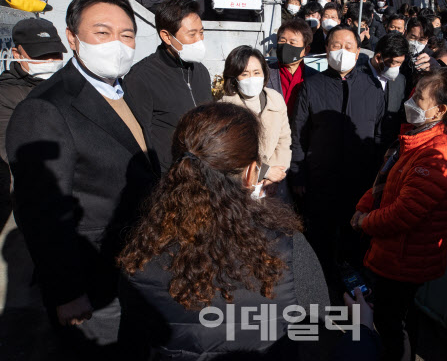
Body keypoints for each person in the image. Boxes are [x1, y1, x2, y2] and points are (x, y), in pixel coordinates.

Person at [6, 0, 160, 353]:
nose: (117, 45)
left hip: (139, 265)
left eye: (127, 34)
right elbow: (41, 212)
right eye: (102, 33)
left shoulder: (123, 90)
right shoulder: (45, 108)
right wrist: (67, 292)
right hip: (95, 279)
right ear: (72, 38)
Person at [117, 102, 329, 360]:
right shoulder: (290, 247)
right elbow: (316, 335)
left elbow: (134, 344)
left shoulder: (140, 257)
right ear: (253, 173)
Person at [351, 68, 447, 361]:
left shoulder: (437, 154)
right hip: (394, 253)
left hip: (406, 258)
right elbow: (386, 182)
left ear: (440, 110)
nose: (411, 100)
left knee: (393, 322)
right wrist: (363, 207)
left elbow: (404, 214)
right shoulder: (417, 139)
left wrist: (365, 222)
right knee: (394, 315)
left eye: (419, 96)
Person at [290, 25, 385, 298]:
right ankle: (315, 295)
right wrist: (298, 175)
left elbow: (379, 136)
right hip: (319, 182)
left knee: (353, 243)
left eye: (348, 46)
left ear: (358, 52)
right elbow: (298, 134)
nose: (341, 52)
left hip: (359, 186)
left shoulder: (373, 89)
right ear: (326, 49)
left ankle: (351, 298)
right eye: (335, 45)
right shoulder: (312, 86)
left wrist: (376, 183)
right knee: (318, 241)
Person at [124, 0, 213, 172]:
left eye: (201, 32)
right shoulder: (140, 77)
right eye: (192, 34)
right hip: (168, 179)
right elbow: (139, 139)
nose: (199, 40)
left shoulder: (201, 72)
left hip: (204, 173)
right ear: (166, 36)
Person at [0, 18, 67, 163]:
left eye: (56, 53)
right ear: (17, 55)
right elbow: (20, 156)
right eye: (40, 55)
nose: (50, 61)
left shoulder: (69, 80)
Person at [220, 46, 291, 196]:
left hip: (273, 185)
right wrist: (265, 172)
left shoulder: (275, 99)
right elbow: (229, 153)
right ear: (234, 78)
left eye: (256, 72)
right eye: (245, 74)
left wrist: (274, 177)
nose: (252, 78)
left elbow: (284, 141)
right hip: (239, 187)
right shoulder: (225, 108)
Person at [359, 33, 408, 148]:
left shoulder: (400, 80)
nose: (396, 67)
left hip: (386, 147)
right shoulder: (357, 76)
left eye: (400, 63)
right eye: (393, 62)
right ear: (378, 58)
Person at [266, 18, 317, 116]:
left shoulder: (314, 77)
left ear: (306, 49)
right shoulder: (265, 73)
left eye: (292, 43)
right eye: (282, 41)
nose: (286, 46)